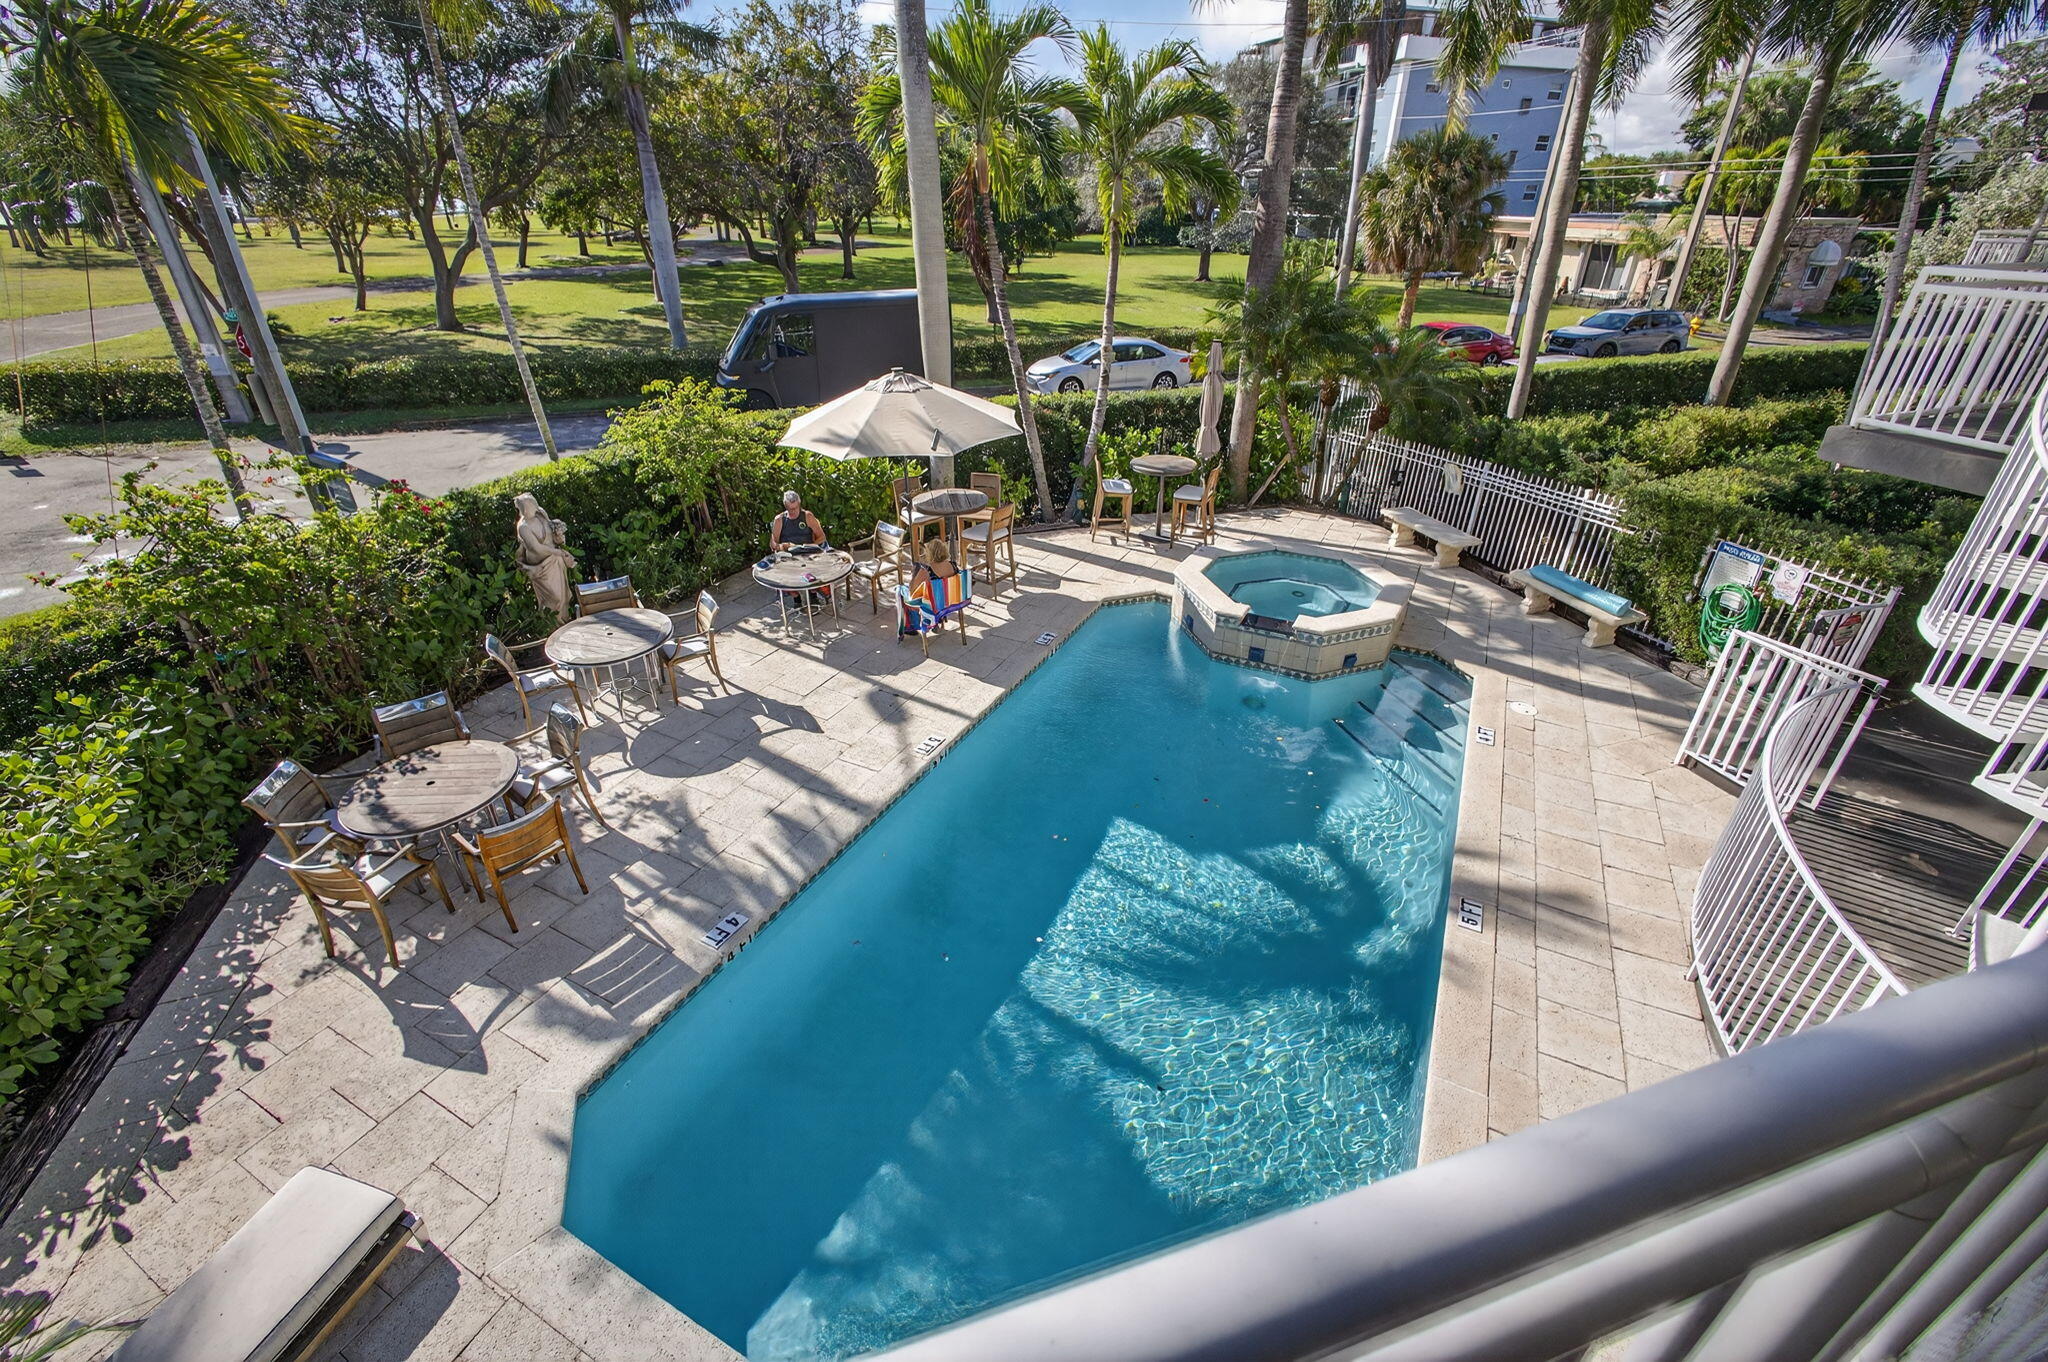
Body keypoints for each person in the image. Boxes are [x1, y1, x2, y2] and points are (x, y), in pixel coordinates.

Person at [513, 492, 577, 621]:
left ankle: (564, 622)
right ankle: (553, 627)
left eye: (530, 507)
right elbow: (536, 548)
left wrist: (558, 535)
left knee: (563, 596)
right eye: (524, 508)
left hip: (556, 563)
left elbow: (552, 533)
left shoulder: (541, 514)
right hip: (541, 568)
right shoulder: (523, 527)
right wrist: (557, 552)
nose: (528, 510)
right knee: (553, 599)